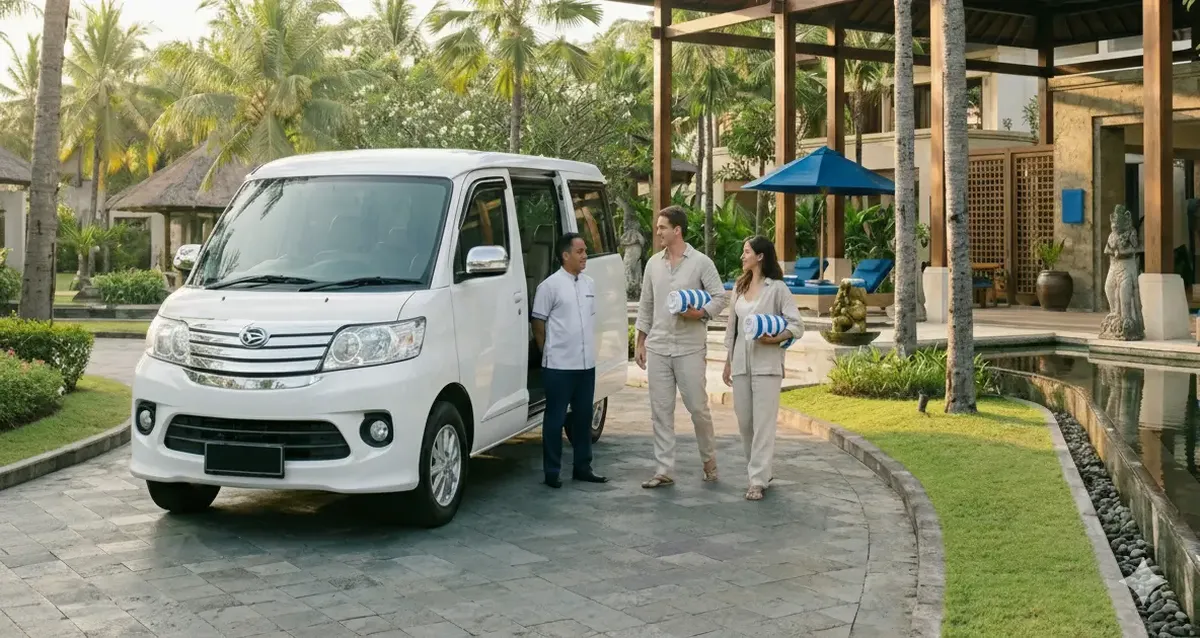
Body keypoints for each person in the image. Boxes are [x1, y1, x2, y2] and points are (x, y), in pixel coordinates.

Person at [634, 206, 728, 488]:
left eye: (662, 227)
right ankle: (664, 470)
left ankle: (709, 461)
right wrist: (641, 341)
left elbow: (720, 297)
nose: (658, 231)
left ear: (677, 230)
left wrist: (701, 313)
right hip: (659, 347)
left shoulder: (701, 263)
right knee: (660, 410)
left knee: (698, 409)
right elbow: (646, 305)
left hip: (690, 347)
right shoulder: (652, 264)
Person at [722, 236, 805, 501]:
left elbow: (797, 325)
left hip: (766, 365)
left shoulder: (777, 288)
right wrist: (727, 362)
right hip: (740, 364)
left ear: (760, 256)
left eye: (746, 252)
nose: (742, 256)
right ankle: (761, 470)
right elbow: (732, 329)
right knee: (745, 422)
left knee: (763, 425)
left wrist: (776, 338)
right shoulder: (739, 285)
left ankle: (756, 480)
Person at [531, 233, 609, 488]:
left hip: (586, 365)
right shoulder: (549, 286)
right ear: (565, 255)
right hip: (559, 366)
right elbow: (538, 323)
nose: (585, 255)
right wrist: (547, 352)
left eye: (585, 251)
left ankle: (582, 467)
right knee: (555, 418)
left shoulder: (588, 284)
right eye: (580, 251)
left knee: (584, 417)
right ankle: (552, 471)